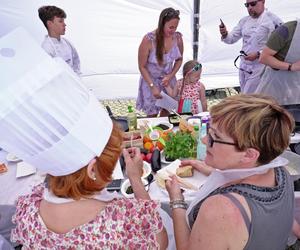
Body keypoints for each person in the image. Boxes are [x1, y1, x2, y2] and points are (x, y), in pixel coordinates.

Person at [0, 29, 167, 249]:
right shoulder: (120, 219)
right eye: (112, 158)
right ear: (91, 170)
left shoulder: (28, 208)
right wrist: (135, 178)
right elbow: (160, 241)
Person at [166, 94, 295, 249]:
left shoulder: (220, 210)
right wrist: (209, 170)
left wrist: (176, 199)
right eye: (209, 130)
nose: (204, 140)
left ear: (249, 154)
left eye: (214, 137)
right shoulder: (282, 174)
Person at [219, 0, 282, 93]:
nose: (250, 7)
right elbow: (231, 39)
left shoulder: (273, 20)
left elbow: (281, 44)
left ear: (263, 2)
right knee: (245, 94)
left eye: (253, 4)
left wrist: (258, 54)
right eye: (247, 5)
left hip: (260, 66)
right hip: (244, 65)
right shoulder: (244, 20)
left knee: (249, 97)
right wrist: (224, 34)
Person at [136, 7, 184, 116]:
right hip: (150, 81)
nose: (173, 30)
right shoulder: (148, 40)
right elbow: (142, 66)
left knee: (167, 112)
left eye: (175, 27)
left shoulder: (178, 38)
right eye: (170, 27)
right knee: (152, 115)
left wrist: (170, 76)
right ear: (162, 23)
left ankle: (164, 132)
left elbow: (179, 59)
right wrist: (152, 86)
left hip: (168, 81)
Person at [255, 20, 300, 105]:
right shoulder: (286, 30)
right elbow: (264, 57)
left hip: (296, 88)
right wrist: (291, 67)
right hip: (275, 85)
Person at [38, 5, 81, 75]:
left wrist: (77, 77)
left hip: (74, 82)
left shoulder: (67, 42)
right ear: (49, 24)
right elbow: (50, 74)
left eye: (64, 21)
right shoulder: (46, 49)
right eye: (60, 21)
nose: (64, 24)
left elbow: (76, 62)